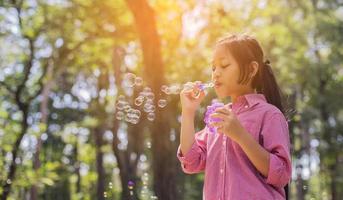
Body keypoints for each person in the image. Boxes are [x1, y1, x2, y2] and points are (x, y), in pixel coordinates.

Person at [178, 33, 291, 200]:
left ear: (252, 69)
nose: (216, 73)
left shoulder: (269, 115)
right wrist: (188, 113)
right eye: (213, 68)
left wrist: (241, 136)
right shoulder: (217, 118)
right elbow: (191, 161)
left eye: (224, 65)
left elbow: (281, 174)